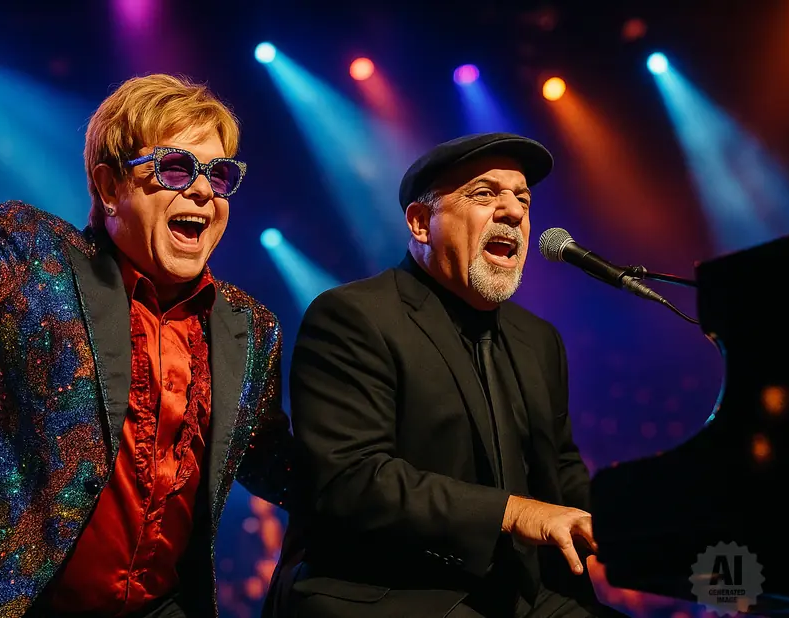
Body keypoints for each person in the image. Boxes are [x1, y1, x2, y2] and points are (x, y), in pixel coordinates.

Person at [0, 34, 294, 618]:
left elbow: (272, 460)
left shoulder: (250, 327)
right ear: (108, 187)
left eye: (219, 175)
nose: (202, 189)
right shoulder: (37, 258)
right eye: (175, 168)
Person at [265, 133, 626, 617]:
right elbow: (351, 478)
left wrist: (632, 528)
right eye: (484, 194)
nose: (514, 212)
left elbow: (559, 466)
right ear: (420, 223)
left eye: (522, 198)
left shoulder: (537, 338)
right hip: (393, 590)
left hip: (523, 592)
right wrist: (515, 511)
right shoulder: (353, 316)